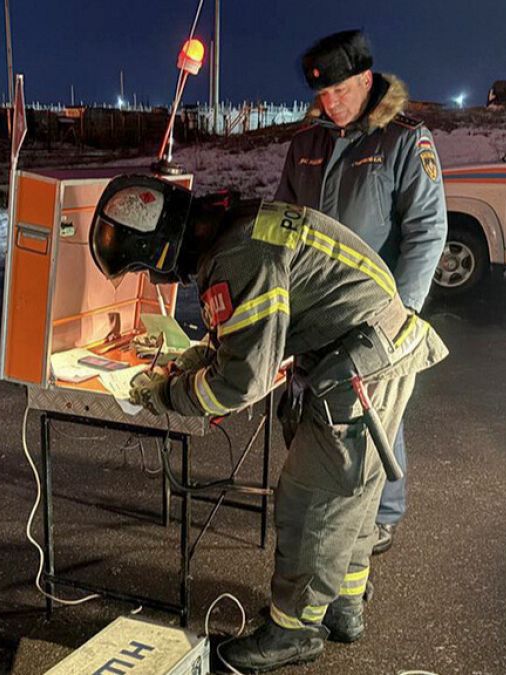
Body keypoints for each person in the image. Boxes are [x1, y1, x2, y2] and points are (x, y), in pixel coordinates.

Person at [89, 175, 447, 672]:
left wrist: (167, 394)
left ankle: (293, 632)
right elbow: (260, 328)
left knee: (313, 500)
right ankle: (343, 607)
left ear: (163, 249)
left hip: (359, 365)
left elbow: (238, 385)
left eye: (148, 269)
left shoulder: (235, 257)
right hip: (370, 347)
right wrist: (201, 355)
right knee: (352, 495)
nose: (155, 280)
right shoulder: (236, 227)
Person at [274, 29, 448, 555]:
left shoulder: (402, 139)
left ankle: (384, 514)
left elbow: (426, 230)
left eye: (341, 92)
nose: (331, 103)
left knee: (375, 412)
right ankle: (325, 499)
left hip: (376, 310)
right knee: (320, 406)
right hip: (314, 307)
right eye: (322, 95)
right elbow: (282, 220)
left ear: (367, 81)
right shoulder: (306, 142)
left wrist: (404, 314)